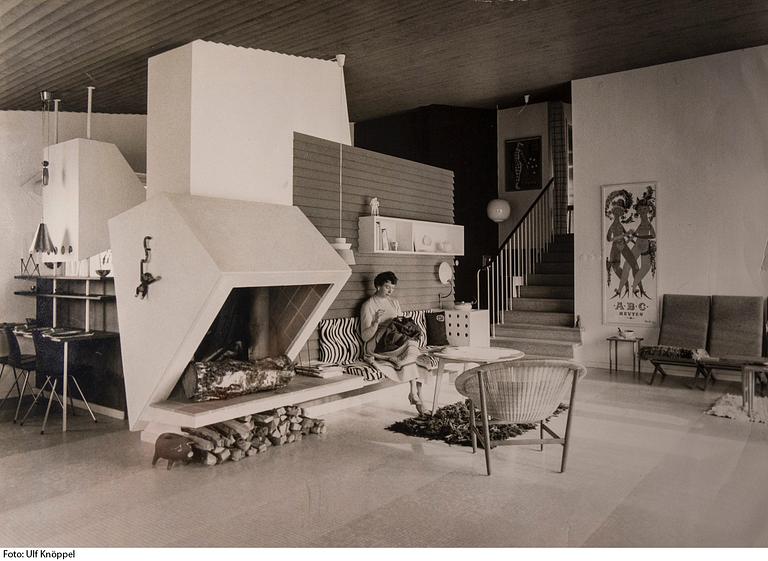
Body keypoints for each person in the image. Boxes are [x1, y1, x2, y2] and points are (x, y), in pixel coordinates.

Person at [360, 271, 426, 414]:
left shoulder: (394, 302)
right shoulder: (368, 305)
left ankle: (413, 391)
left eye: (392, 288)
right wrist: (376, 322)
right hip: (377, 345)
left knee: (412, 344)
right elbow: (365, 337)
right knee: (411, 349)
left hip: (393, 342)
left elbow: (399, 326)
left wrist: (405, 324)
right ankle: (415, 392)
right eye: (387, 287)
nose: (390, 291)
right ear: (378, 286)